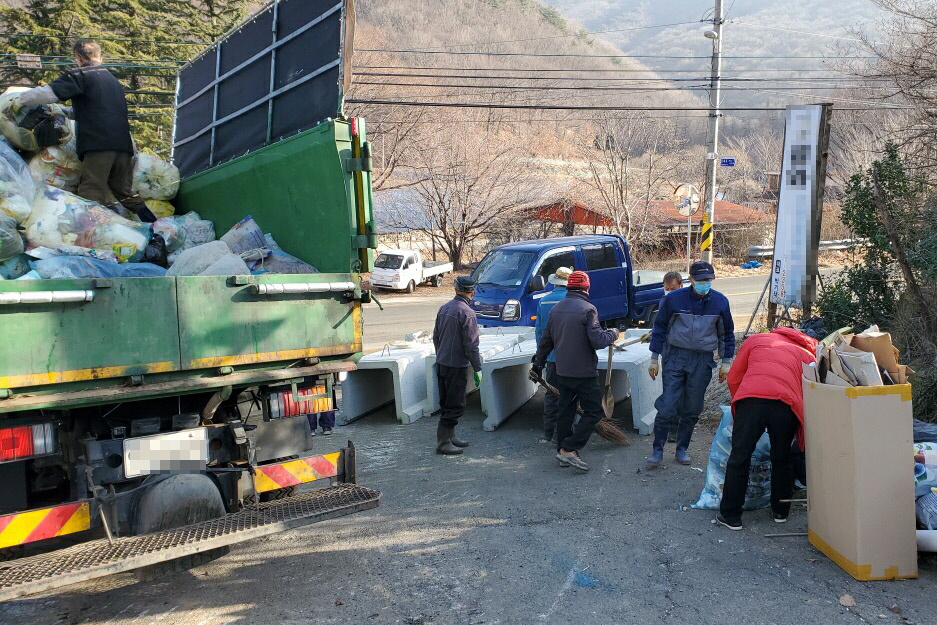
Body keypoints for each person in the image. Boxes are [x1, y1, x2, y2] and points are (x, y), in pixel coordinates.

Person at [14, 40, 156, 222]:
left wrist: (19, 99)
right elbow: (96, 109)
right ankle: (155, 224)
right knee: (123, 191)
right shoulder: (112, 81)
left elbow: (47, 94)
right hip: (123, 145)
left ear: (78, 58)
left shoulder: (81, 74)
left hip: (99, 144)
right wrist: (64, 112)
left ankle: (92, 233)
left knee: (91, 190)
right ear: (100, 57)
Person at [715, 328, 818, 530]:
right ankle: (780, 511)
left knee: (740, 456)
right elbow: (810, 390)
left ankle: (731, 515)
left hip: (752, 399)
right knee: (782, 457)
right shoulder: (807, 354)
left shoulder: (757, 339)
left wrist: (739, 405)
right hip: (786, 405)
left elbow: (734, 377)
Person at [647, 260, 734, 467]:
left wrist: (726, 362)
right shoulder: (674, 300)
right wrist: (654, 358)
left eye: (708, 280)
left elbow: (727, 334)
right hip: (675, 356)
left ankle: (682, 449)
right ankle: (657, 450)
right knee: (668, 404)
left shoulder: (720, 302)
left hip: (702, 359)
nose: (705, 284)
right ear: (691, 280)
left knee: (692, 407)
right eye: (701, 280)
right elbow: (659, 328)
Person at [532, 270, 618, 471]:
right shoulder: (588, 309)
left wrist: (538, 363)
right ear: (587, 288)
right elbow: (597, 341)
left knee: (566, 411)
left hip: (562, 371)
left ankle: (562, 451)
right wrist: (612, 334)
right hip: (584, 373)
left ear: (568, 286)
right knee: (594, 412)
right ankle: (569, 448)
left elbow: (546, 341)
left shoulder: (556, 310)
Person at [432, 275, 483, 455]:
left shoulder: (444, 308)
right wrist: (477, 368)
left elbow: (436, 337)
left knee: (446, 402)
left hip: (442, 363)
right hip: (457, 366)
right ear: (473, 292)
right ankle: (443, 443)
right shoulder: (467, 313)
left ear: (455, 289)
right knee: (455, 404)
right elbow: (471, 345)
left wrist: (441, 354)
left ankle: (450, 436)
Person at [534, 266, 572, 443]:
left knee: (551, 395)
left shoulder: (543, 302)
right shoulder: (572, 301)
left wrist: (541, 356)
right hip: (570, 358)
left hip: (551, 358)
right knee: (570, 395)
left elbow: (539, 332)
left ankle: (548, 432)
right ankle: (565, 433)